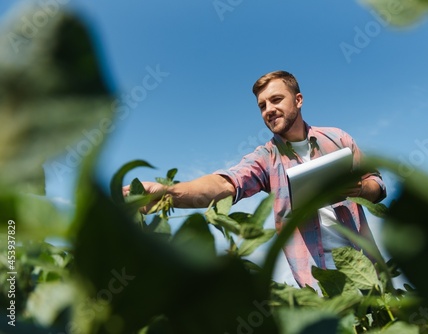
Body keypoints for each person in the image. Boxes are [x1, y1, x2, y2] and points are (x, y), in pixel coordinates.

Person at [123, 70, 386, 288]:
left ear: (298, 100)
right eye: (262, 106)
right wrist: (169, 193)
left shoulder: (338, 139)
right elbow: (226, 183)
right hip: (319, 289)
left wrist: (361, 188)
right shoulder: (264, 158)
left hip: (369, 276)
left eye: (276, 100)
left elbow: (377, 185)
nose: (268, 110)